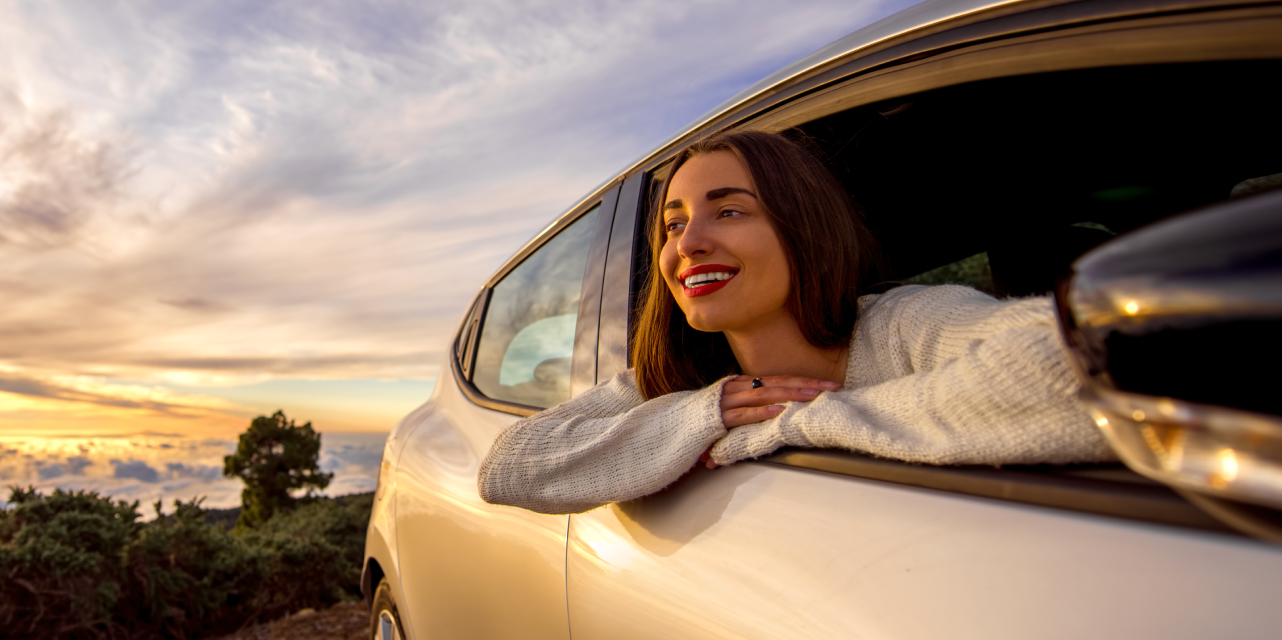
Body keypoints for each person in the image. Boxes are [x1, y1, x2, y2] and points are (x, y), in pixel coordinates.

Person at [477, 130, 1116, 516]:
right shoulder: (676, 384)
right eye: (672, 225)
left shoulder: (902, 325)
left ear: (801, 227)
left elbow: (1070, 366)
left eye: (728, 212)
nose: (688, 242)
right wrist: (705, 416)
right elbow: (505, 469)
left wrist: (787, 425)